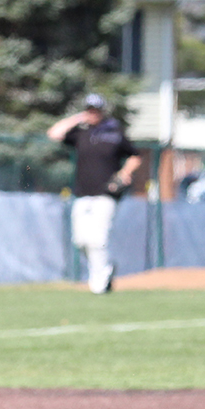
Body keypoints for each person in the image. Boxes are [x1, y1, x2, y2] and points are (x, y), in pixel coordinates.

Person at [47, 93, 141, 294]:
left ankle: (100, 281)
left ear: (102, 111)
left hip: (106, 193)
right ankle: (105, 268)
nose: (92, 114)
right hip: (82, 193)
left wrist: (125, 172)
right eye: (89, 110)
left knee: (98, 240)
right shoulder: (81, 133)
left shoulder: (114, 133)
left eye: (96, 110)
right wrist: (78, 118)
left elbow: (135, 155)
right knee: (81, 241)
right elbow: (54, 133)